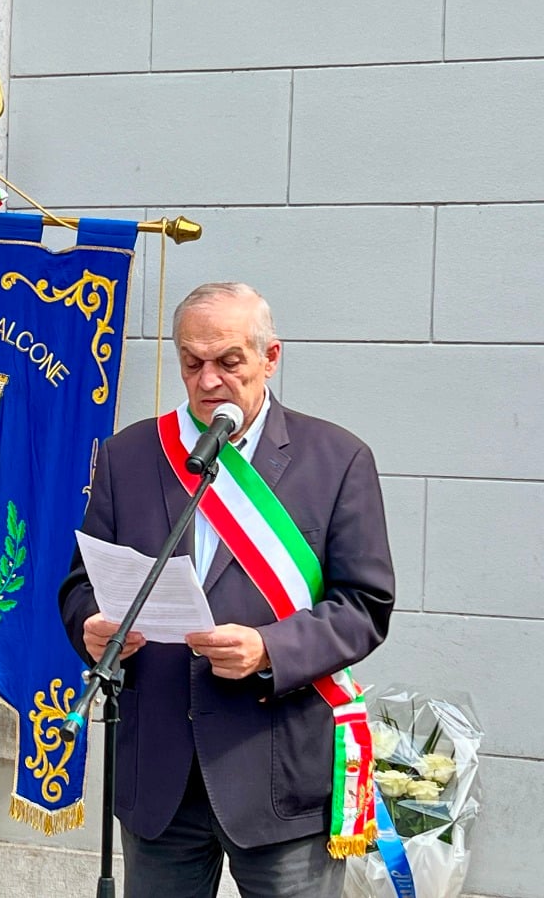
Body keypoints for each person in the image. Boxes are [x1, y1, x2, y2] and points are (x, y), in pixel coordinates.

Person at [59, 282, 395, 898]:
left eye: (229, 361)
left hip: (278, 772)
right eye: (192, 362)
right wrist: (90, 624)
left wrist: (269, 649)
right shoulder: (129, 455)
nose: (209, 380)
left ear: (270, 358)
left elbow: (365, 605)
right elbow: (82, 582)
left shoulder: (337, 459)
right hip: (159, 771)